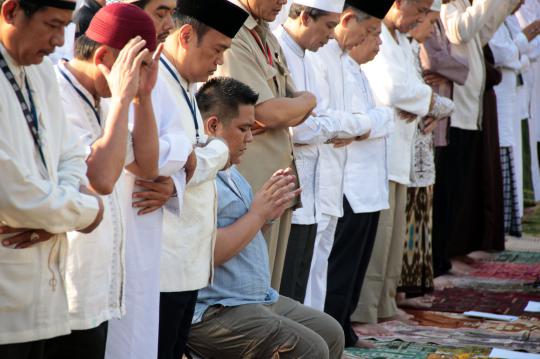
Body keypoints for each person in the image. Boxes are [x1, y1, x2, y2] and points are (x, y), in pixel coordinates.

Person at [187, 77, 344, 359]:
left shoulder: (230, 170)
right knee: (311, 349)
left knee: (331, 332)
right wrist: (258, 213)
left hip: (253, 299)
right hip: (215, 310)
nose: (250, 138)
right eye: (244, 128)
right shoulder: (198, 174)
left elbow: (247, 237)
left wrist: (267, 214)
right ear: (212, 126)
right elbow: (207, 253)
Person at [50, 4, 161, 358]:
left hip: (98, 286)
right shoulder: (56, 94)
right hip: (63, 288)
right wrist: (125, 98)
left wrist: (143, 98)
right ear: (103, 56)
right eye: (138, 65)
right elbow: (101, 179)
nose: (141, 75)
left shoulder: (105, 97)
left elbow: (147, 165)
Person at [0, 0, 105, 358]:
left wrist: (55, 215)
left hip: (42, 293)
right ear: (11, 12)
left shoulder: (40, 71)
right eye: (51, 25)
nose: (59, 40)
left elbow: (72, 153)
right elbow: (12, 194)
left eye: (65, 26)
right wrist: (88, 211)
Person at [351, 0, 454, 332]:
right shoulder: (377, 33)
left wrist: (422, 102)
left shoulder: (402, 41)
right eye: (420, 9)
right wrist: (433, 102)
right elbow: (394, 90)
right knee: (379, 240)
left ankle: (384, 306)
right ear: (399, 3)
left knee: (393, 238)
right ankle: (365, 314)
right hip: (375, 153)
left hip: (399, 151)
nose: (421, 19)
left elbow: (412, 89)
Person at [157, 1, 249, 358]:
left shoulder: (184, 84)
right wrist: (214, 152)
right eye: (217, 50)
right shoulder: (156, 82)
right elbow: (175, 161)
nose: (218, 62)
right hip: (165, 259)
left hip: (188, 260)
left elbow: (197, 158)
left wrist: (207, 154)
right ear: (186, 35)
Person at [103, 2, 194, 359]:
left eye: (172, 11)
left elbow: (191, 149)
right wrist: (176, 152)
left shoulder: (161, 70)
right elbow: (143, 158)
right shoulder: (114, 66)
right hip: (112, 222)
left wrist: (174, 181)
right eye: (160, 11)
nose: (169, 23)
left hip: (148, 224)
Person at [306, 1, 394, 347]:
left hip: (341, 178)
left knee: (332, 267)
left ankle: (331, 335)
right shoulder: (317, 56)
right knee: (318, 268)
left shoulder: (345, 61)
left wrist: (360, 125)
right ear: (346, 20)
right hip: (326, 178)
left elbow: (368, 119)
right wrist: (364, 123)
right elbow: (324, 121)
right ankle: (318, 337)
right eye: (370, 31)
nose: (372, 40)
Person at [215, 0, 317, 290]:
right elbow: (266, 112)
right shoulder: (234, 34)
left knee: (270, 279)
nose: (283, 2)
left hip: (275, 179)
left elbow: (290, 106)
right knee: (247, 282)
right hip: (251, 180)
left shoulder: (264, 34)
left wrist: (303, 102)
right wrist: (308, 100)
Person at [435, 0, 520, 274]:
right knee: (448, 191)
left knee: (460, 189)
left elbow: (481, 34)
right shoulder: (449, 4)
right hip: (454, 112)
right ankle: (441, 259)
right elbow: (459, 31)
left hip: (470, 111)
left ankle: (449, 255)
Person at [273, 0, 344, 303]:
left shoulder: (308, 56)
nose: (332, 35)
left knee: (301, 280)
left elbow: (318, 116)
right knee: (285, 285)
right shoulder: (278, 49)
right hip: (287, 185)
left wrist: (322, 123)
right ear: (304, 16)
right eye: (328, 26)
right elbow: (296, 127)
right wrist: (333, 127)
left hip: (311, 189)